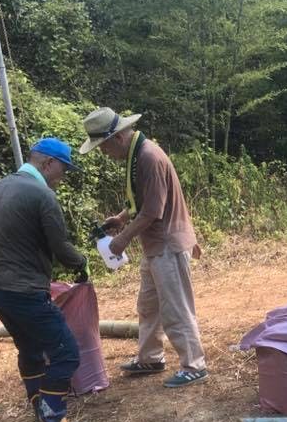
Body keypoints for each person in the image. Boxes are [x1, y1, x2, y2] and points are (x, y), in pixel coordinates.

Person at [79, 107, 208, 388]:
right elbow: (142, 201)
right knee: (148, 306)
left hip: (168, 244)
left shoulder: (149, 157)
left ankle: (194, 365)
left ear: (116, 138)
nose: (104, 153)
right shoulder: (137, 155)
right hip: (155, 246)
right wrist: (120, 218)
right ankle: (150, 358)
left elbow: (152, 211)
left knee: (176, 308)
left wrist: (122, 238)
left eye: (103, 147)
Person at [0, 138, 94, 422]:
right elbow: (60, 246)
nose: (62, 177)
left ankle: (39, 408)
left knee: (29, 348)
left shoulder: (3, 186)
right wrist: (81, 264)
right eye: (63, 169)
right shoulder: (42, 195)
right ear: (48, 164)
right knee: (66, 352)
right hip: (22, 290)